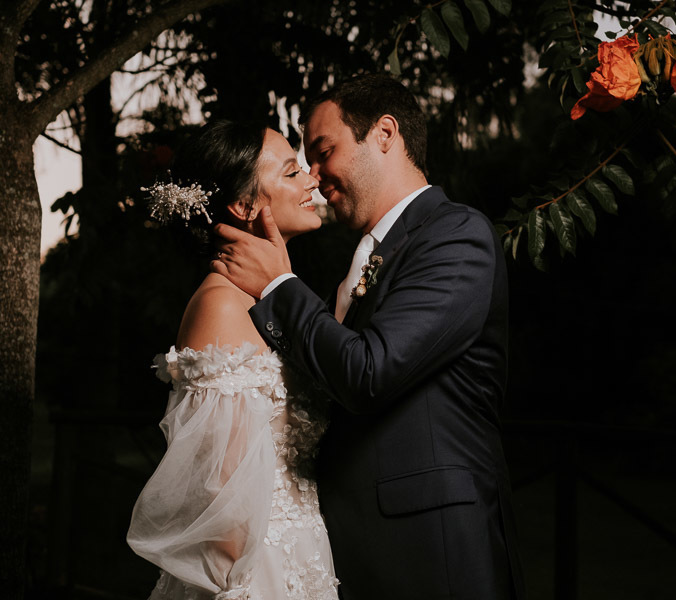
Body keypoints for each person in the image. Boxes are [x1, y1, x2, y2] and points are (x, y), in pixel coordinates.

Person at [212, 74, 525, 600]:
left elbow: (369, 372)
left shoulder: (456, 235)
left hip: (433, 554)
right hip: (355, 554)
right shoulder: (362, 260)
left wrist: (277, 285)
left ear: (384, 134)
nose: (314, 178)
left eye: (323, 152)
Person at [127, 120, 340, 600]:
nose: (311, 179)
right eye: (291, 172)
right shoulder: (221, 306)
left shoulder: (268, 299)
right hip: (257, 573)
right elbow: (220, 504)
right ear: (244, 206)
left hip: (305, 554)